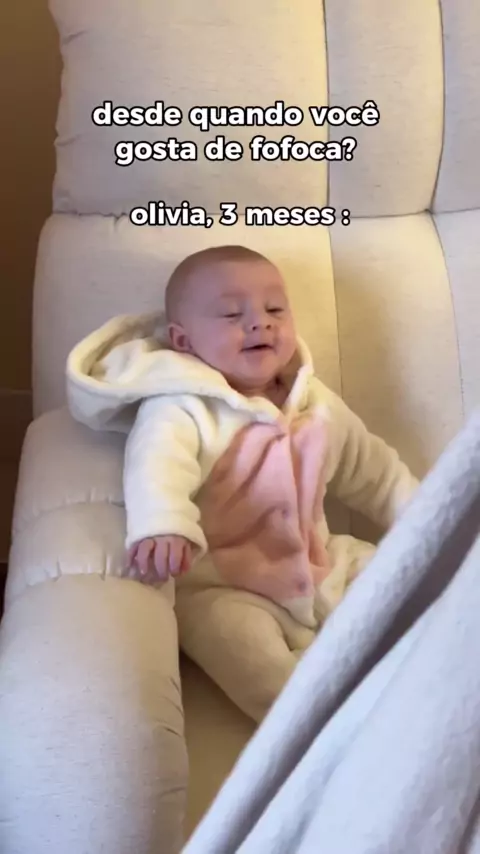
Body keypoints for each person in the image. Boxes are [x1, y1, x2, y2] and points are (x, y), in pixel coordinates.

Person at [67, 244, 419, 722]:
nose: (260, 323)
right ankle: (316, 726)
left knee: (401, 581)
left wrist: (428, 521)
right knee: (244, 649)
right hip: (222, 584)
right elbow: (156, 465)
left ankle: (421, 680)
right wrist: (163, 525)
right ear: (184, 341)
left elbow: (376, 473)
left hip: (318, 559)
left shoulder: (317, 404)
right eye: (233, 314)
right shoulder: (181, 407)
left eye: (275, 310)